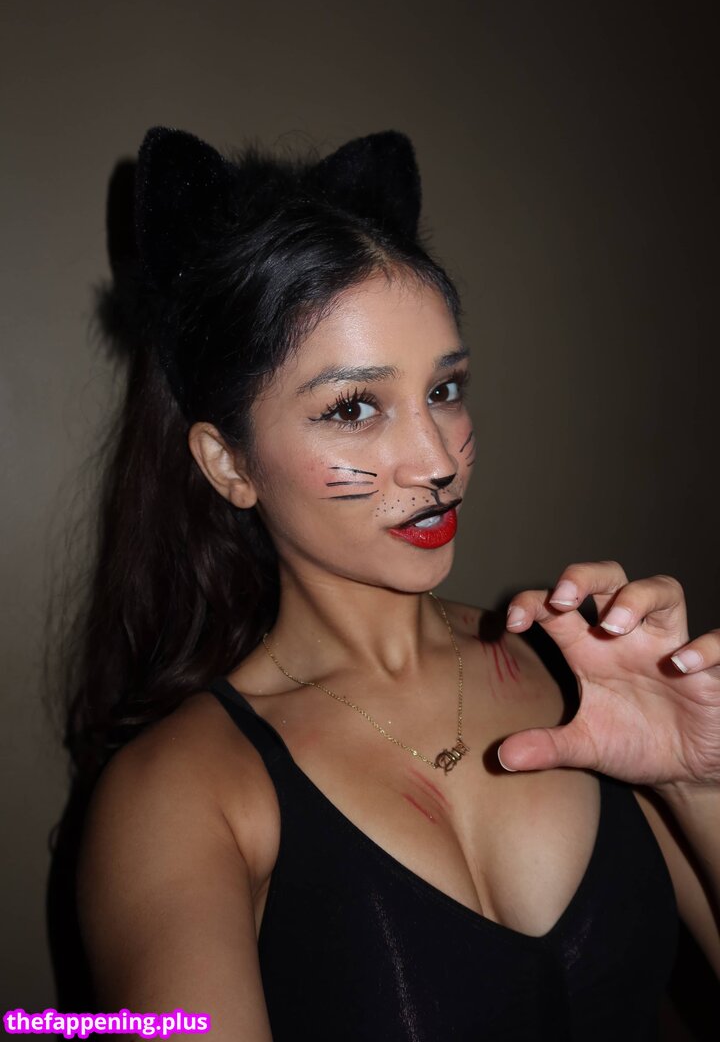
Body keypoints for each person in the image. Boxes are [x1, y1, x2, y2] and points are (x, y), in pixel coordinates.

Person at [67, 126, 719, 1040]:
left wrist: (697, 784)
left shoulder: (586, 676)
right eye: (354, 407)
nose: (437, 460)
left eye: (444, 390)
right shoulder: (180, 796)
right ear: (228, 463)